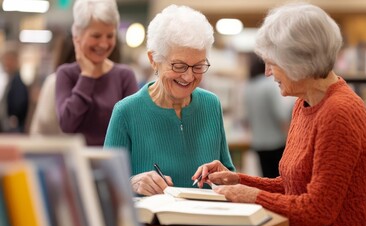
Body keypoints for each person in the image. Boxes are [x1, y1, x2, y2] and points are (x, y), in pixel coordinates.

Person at [193, 3, 366, 226]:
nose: (267, 72)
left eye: (272, 62)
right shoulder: (304, 102)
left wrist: (252, 196)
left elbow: (318, 210)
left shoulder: (339, 112)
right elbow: (293, 185)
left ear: (299, 61)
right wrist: (237, 179)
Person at [104, 4, 235, 196]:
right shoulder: (126, 112)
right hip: (153, 224)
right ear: (153, 59)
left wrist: (225, 177)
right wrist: (132, 183)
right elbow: (104, 185)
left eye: (198, 66)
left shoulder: (211, 105)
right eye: (179, 66)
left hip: (207, 223)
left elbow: (229, 174)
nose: (189, 77)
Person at [55, 0, 138, 146]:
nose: (104, 44)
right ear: (77, 36)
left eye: (110, 36)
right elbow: (67, 124)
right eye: (96, 36)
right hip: (78, 165)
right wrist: (87, 75)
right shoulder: (66, 74)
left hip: (115, 163)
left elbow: (134, 128)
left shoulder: (125, 76)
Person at [243, 53, 295, 178]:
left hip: (258, 142)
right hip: (275, 142)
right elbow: (281, 114)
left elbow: (246, 117)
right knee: (280, 180)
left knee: (266, 179)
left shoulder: (248, 87)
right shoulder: (270, 85)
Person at [0, 42, 29, 133]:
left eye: (7, 59)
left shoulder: (17, 83)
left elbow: (18, 107)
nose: (4, 63)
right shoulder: (9, 80)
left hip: (12, 130)